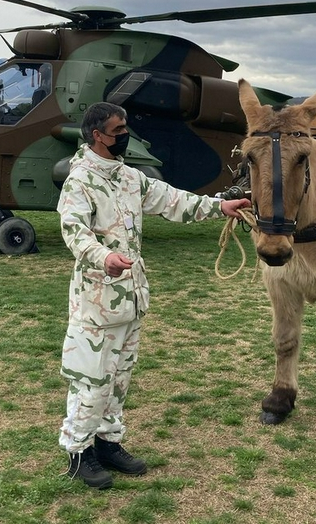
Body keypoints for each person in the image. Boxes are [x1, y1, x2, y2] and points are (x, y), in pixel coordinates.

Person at [56, 102, 251, 489]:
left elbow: (173, 200)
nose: (125, 135)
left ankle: (108, 443)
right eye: (118, 130)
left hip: (130, 300)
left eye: (125, 127)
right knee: (91, 380)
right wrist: (104, 256)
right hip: (96, 303)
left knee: (119, 380)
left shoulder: (129, 177)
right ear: (97, 135)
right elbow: (74, 231)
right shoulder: (80, 181)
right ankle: (78, 452)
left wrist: (220, 206)